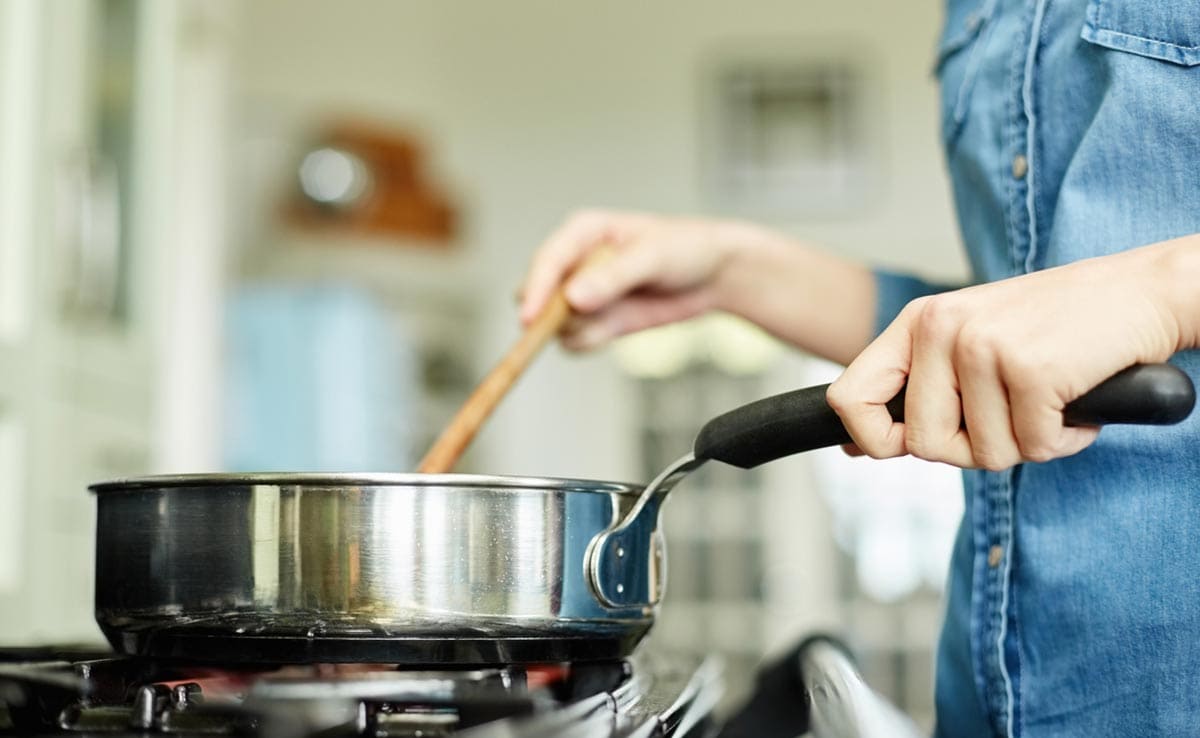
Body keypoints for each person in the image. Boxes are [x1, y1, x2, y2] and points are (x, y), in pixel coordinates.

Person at [518, 2, 1200, 736]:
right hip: (995, 689)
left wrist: (1163, 293)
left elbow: (1107, 309)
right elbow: (995, 338)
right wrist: (728, 270)